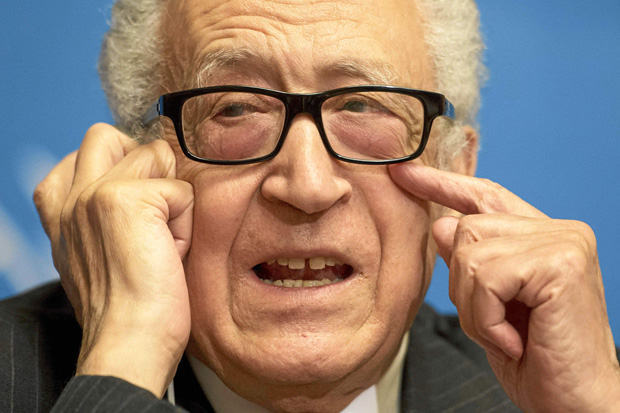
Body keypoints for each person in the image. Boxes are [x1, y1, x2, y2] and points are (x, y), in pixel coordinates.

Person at [1, 0, 619, 411]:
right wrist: (126, 355)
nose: (307, 185)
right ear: (132, 171)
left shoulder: (560, 399)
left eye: (363, 106)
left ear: (454, 170)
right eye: (235, 108)